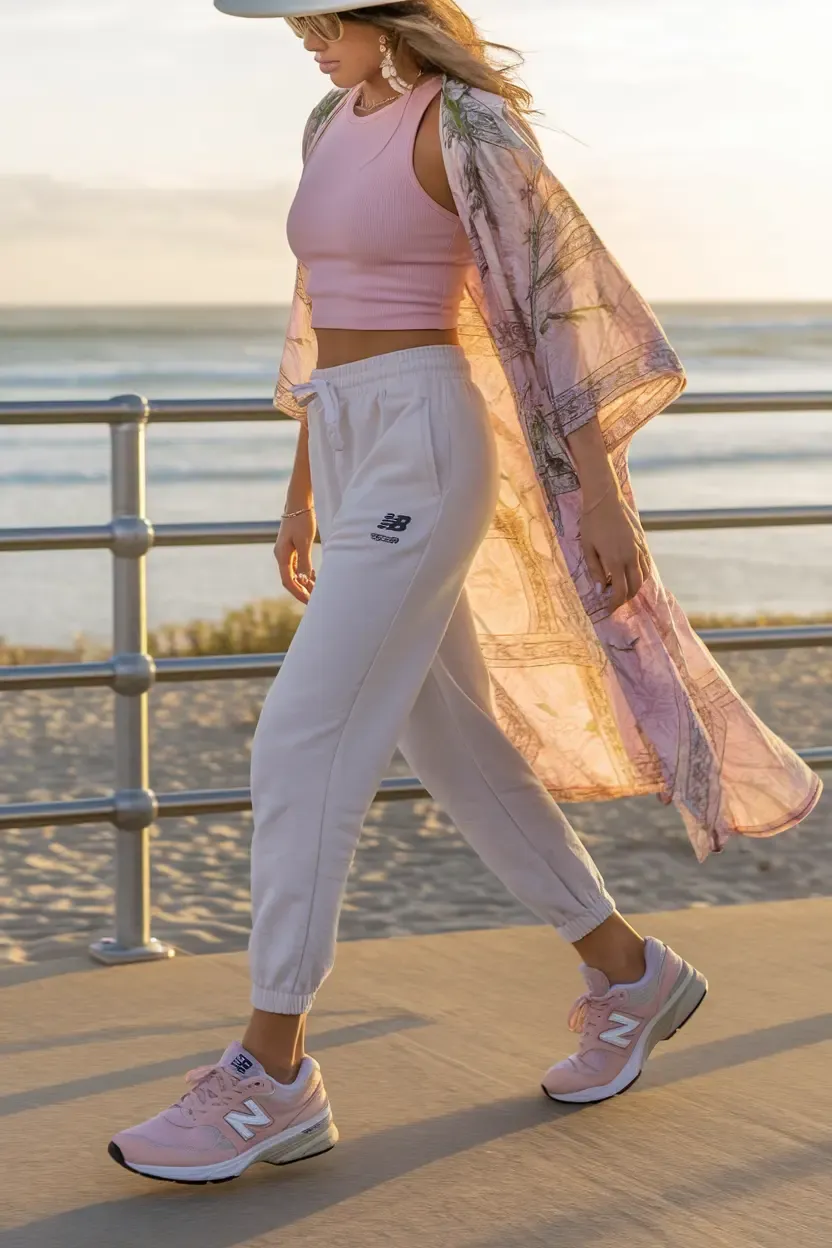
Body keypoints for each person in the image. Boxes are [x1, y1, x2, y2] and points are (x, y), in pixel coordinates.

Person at [108, 0, 821, 1184]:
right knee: (452, 740)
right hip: (348, 439)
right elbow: (315, 309)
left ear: (384, 11)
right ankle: (628, 972)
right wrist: (303, 487)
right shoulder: (327, 118)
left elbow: (553, 306)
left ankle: (271, 1071)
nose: (300, 33)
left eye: (318, 15)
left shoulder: (472, 127)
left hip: (428, 445)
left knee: (299, 738)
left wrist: (597, 491)